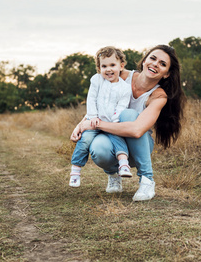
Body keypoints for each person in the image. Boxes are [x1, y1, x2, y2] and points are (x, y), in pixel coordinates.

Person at [70, 45, 185, 201]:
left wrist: (94, 124)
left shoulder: (158, 96)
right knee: (97, 147)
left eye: (163, 64)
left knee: (129, 115)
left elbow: (136, 130)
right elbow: (100, 102)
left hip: (137, 146)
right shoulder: (119, 74)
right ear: (144, 61)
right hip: (111, 137)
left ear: (167, 74)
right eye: (152, 58)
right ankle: (113, 173)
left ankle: (147, 180)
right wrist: (81, 123)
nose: (155, 64)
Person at [69, 46, 133, 188]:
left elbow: (122, 106)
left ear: (121, 66)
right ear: (99, 68)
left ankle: (123, 165)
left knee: (119, 141)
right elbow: (91, 99)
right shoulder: (97, 80)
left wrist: (114, 123)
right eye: (104, 66)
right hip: (94, 120)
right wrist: (93, 117)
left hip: (112, 122)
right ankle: (75, 171)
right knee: (84, 140)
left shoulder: (125, 88)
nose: (108, 69)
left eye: (112, 65)